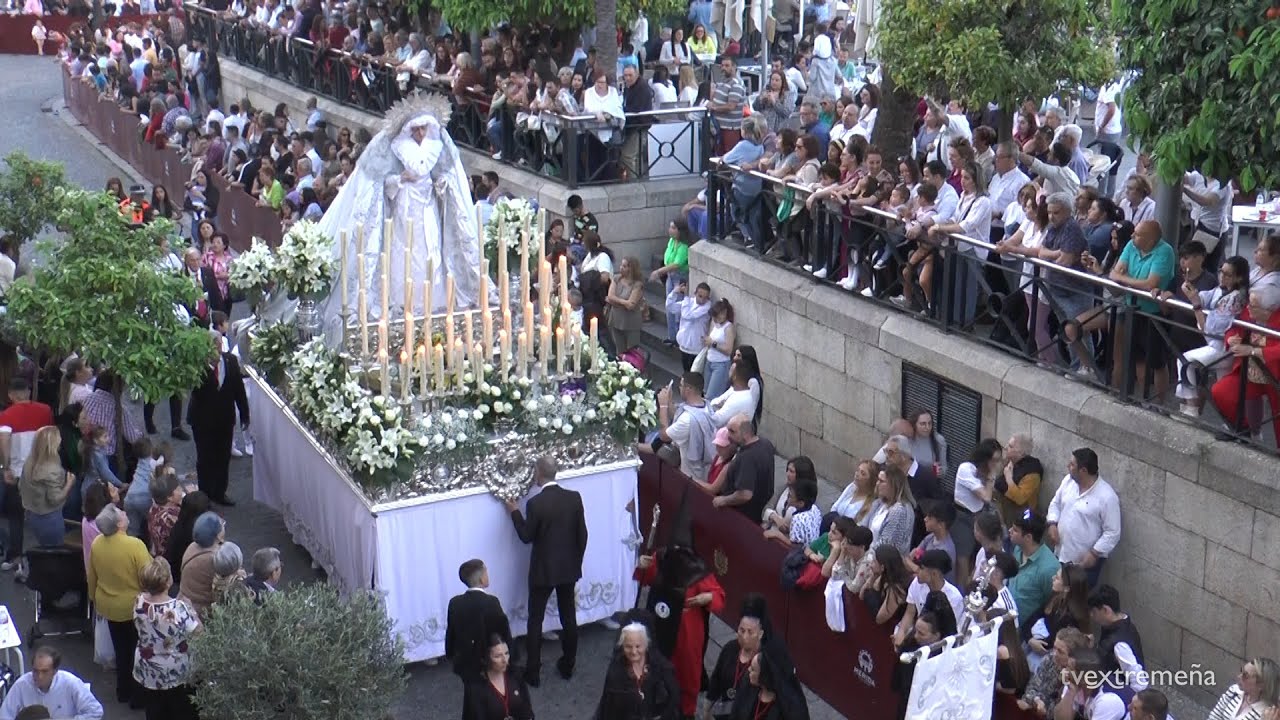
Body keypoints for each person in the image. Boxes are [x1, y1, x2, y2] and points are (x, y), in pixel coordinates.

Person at [317, 95, 485, 323]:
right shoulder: (396, 148)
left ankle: (432, 302)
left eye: (423, 129)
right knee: (405, 256)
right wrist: (399, 180)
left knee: (430, 252)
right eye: (416, 129)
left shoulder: (434, 148)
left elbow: (443, 179)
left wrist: (442, 186)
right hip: (404, 209)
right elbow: (381, 185)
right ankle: (403, 302)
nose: (420, 134)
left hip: (427, 210)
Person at [504, 455, 588, 687]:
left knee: (535, 620)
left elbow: (526, 536)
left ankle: (533, 672)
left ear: (538, 473)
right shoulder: (574, 498)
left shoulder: (535, 504)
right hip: (568, 569)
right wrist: (575, 562)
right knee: (568, 617)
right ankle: (568, 665)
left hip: (543, 570)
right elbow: (583, 535)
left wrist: (513, 511)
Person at [635, 538, 725, 717]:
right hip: (661, 626)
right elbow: (645, 579)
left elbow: (719, 598)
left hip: (687, 633)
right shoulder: (661, 558)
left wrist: (707, 598)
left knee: (687, 675)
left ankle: (686, 712)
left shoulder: (698, 571)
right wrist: (641, 566)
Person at [87, 504, 151, 707]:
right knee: (137, 651)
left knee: (121, 650)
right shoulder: (135, 545)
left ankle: (123, 691)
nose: (125, 512)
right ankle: (138, 697)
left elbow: (92, 575)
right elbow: (147, 576)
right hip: (134, 607)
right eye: (121, 512)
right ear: (120, 523)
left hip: (109, 606)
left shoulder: (97, 543)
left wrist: (93, 598)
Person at [133, 557, 200, 720]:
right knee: (179, 711)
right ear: (168, 582)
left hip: (148, 668)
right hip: (175, 669)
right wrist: (192, 611)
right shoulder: (178, 609)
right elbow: (198, 631)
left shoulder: (139, 602)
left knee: (154, 710)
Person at [187, 331, 249, 506]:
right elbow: (195, 390)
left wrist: (244, 413)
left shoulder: (230, 361)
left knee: (223, 457)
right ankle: (205, 495)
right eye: (214, 346)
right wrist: (207, 367)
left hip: (225, 418)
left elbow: (238, 389)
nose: (218, 349)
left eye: (220, 344)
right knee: (205, 458)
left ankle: (220, 492)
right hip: (203, 420)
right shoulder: (197, 366)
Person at [704, 594, 787, 720]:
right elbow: (715, 682)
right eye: (741, 630)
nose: (745, 637)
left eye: (750, 632)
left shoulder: (765, 662)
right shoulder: (729, 649)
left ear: (760, 633)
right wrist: (706, 711)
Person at [592, 623, 680, 720]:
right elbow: (610, 708)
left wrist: (662, 717)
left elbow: (674, 695)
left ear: (646, 645)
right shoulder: (615, 671)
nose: (633, 652)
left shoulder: (659, 664)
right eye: (628, 646)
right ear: (622, 646)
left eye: (638, 646)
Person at [445, 559, 513, 684]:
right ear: (482, 579)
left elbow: (451, 631)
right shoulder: (492, 602)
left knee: (471, 690)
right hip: (487, 661)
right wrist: (511, 656)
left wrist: (450, 653)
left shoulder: (455, 603)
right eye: (486, 572)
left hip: (465, 661)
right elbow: (503, 630)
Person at [0, 647, 103, 720]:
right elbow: (4, 715)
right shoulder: (21, 685)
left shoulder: (71, 683)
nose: (39, 676)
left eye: (45, 671)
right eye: (36, 671)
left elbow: (95, 712)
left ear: (55, 671)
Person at [463, 634, 535, 720]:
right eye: (497, 656)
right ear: (485, 659)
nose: (505, 660)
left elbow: (526, 708)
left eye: (506, 653)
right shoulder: (476, 687)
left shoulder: (515, 674)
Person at [729, 645, 810, 720]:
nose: (749, 670)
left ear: (765, 677)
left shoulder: (792, 709)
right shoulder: (748, 686)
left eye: (753, 669)